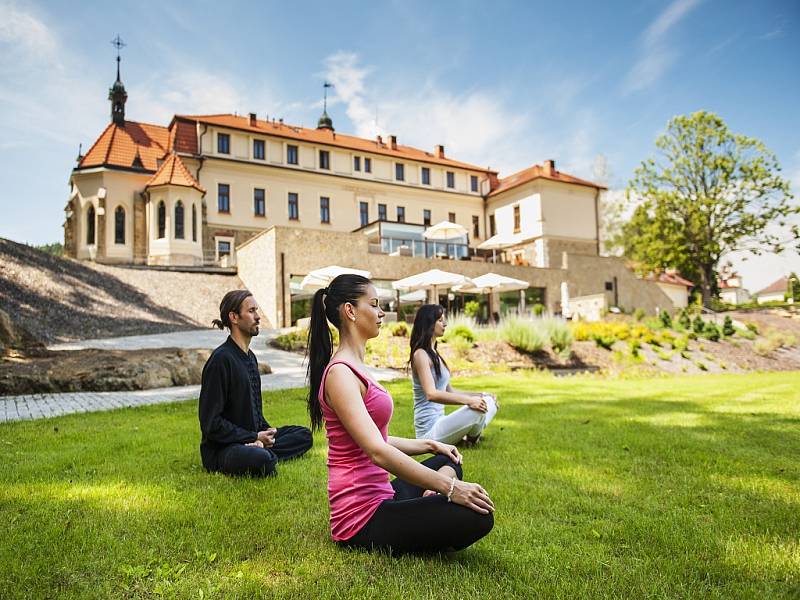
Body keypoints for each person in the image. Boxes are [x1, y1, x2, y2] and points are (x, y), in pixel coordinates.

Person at [307, 274, 494, 553]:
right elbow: (377, 451)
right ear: (350, 311)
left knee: (447, 457)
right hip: (362, 516)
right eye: (374, 304)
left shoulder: (356, 366)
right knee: (478, 515)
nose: (381, 312)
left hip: (385, 495)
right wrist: (451, 489)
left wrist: (431, 444)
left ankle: (427, 502)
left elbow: (378, 438)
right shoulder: (341, 374)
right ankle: (429, 505)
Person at [199, 290, 312, 476]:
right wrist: (252, 437)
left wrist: (265, 432)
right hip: (225, 448)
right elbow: (210, 424)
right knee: (262, 460)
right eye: (251, 311)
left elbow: (254, 413)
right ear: (234, 317)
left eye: (256, 310)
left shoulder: (250, 358)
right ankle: (261, 453)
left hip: (254, 437)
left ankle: (261, 448)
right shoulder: (221, 360)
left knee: (303, 435)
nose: (258, 317)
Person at [409, 304, 498, 444]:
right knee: (477, 410)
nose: (444, 324)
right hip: (429, 433)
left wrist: (480, 395)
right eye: (440, 320)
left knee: (488, 401)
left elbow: (450, 391)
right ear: (429, 324)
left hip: (442, 422)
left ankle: (469, 435)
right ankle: (472, 437)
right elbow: (431, 394)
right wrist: (469, 401)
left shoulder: (435, 354)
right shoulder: (420, 354)